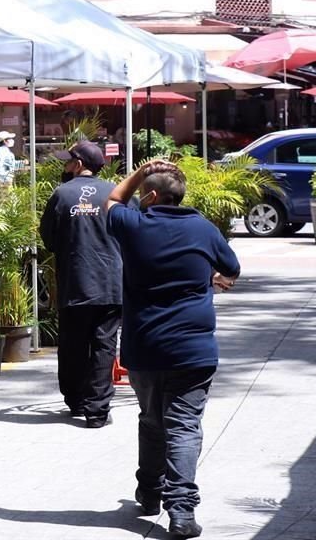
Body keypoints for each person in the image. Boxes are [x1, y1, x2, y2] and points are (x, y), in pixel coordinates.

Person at [104, 160, 240, 539]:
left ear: (149, 195)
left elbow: (114, 198)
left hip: (144, 348)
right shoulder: (203, 228)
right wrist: (206, 276)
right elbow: (232, 269)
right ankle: (180, 511)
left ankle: (149, 492)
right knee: (183, 426)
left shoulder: (134, 225)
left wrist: (140, 170)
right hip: (192, 350)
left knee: (151, 421)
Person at [39, 141, 122, 429]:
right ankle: (97, 411)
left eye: (68, 161)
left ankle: (76, 399)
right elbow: (133, 231)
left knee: (73, 344)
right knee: (104, 345)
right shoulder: (116, 191)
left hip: (75, 282)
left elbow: (48, 238)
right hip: (110, 283)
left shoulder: (62, 194)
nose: (65, 166)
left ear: (78, 164)